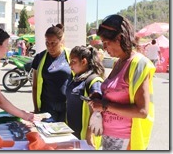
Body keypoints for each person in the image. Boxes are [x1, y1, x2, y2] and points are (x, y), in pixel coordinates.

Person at [88, 14, 155, 150]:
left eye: (106, 43)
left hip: (126, 141)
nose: (104, 48)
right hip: (109, 136)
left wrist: (104, 105)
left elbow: (142, 111)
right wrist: (99, 97)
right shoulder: (117, 63)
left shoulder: (138, 64)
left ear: (119, 38)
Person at [31, 24, 71, 122]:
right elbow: (35, 86)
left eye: (53, 43)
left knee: (67, 136)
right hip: (47, 107)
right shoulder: (39, 58)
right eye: (47, 43)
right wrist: (36, 108)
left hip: (68, 107)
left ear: (61, 41)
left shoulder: (71, 56)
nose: (50, 47)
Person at [65, 45, 105, 144]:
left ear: (84, 61)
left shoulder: (94, 81)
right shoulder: (76, 78)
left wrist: (89, 135)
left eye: (73, 62)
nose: (70, 65)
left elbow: (96, 112)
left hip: (85, 138)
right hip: (72, 134)